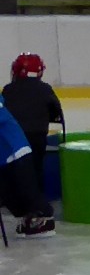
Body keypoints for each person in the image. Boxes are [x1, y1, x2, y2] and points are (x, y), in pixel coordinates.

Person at [3, 53, 63, 191]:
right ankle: (37, 196)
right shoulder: (45, 89)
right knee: (36, 168)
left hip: (13, 138)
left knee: (13, 170)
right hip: (37, 137)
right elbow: (56, 113)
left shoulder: (8, 90)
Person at [0, 96, 55, 240]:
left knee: (26, 188)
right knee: (8, 193)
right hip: (4, 157)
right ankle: (29, 216)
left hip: (16, 150)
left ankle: (43, 216)